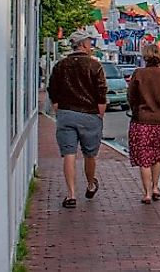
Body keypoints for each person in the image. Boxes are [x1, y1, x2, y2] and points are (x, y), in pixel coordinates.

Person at [47, 30, 108, 208]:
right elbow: (101, 91)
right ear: (82, 44)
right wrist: (100, 113)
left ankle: (71, 194)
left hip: (66, 114)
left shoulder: (61, 65)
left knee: (69, 154)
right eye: (89, 42)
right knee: (90, 154)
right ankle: (90, 184)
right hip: (89, 114)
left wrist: (58, 108)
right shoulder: (94, 66)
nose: (90, 45)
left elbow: (53, 89)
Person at [127, 44, 160, 204]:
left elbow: (131, 96)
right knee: (158, 155)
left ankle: (147, 192)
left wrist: (136, 109)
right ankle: (155, 187)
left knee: (144, 156)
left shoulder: (139, 74)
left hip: (142, 120)